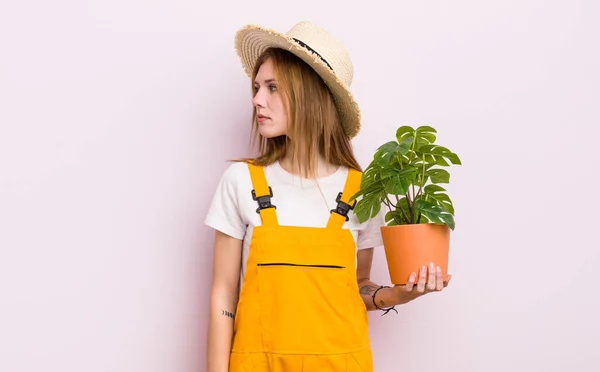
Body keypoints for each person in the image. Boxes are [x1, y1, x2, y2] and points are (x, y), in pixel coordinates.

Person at [205, 21, 451, 372]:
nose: (257, 99)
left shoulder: (361, 191)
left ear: (310, 95)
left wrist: (401, 293)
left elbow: (359, 286)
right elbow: (223, 297)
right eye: (257, 87)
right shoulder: (241, 182)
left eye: (273, 87)